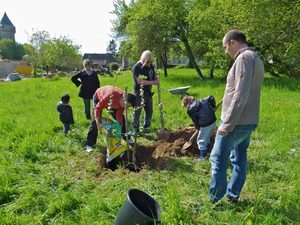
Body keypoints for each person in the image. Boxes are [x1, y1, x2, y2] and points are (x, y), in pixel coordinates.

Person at [209, 30, 264, 203]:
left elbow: (241, 93)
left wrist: (227, 124)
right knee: (239, 158)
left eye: (225, 47)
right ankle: (232, 195)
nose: (226, 52)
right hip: (249, 119)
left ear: (233, 43)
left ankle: (215, 199)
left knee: (218, 158)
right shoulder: (256, 58)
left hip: (237, 122)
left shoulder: (243, 58)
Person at [86, 85, 136, 152]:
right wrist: (98, 123)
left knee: (122, 121)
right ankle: (89, 144)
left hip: (114, 103)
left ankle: (126, 137)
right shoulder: (111, 96)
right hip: (99, 97)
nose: (127, 108)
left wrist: (120, 124)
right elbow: (97, 108)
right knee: (95, 121)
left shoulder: (122, 104)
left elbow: (119, 115)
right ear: (124, 100)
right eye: (127, 106)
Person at [132, 50, 159, 133]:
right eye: (144, 61)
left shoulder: (150, 66)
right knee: (137, 112)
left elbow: (152, 78)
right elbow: (139, 81)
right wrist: (153, 83)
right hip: (138, 94)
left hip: (148, 93)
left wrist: (155, 77)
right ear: (141, 58)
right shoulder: (136, 67)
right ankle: (135, 130)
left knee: (149, 112)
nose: (146, 63)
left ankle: (146, 128)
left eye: (148, 62)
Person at [182, 95, 217, 161]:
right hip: (213, 122)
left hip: (205, 124)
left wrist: (198, 128)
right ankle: (208, 152)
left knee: (200, 141)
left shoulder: (190, 110)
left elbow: (195, 121)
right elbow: (211, 97)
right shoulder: (202, 100)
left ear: (186, 104)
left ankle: (203, 158)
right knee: (207, 137)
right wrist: (213, 107)